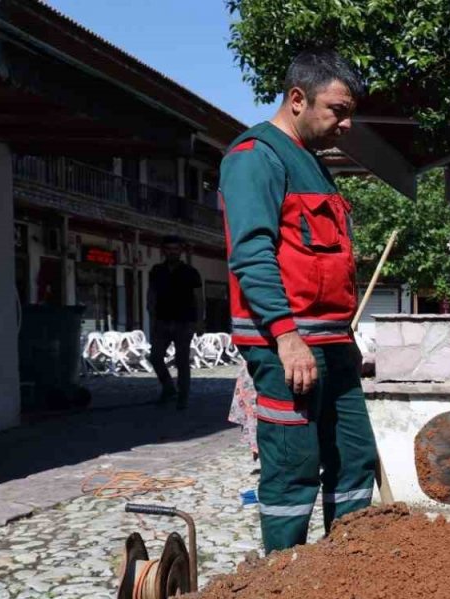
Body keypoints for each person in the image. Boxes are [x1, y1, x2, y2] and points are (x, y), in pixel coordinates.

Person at [219, 49, 377, 554]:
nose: (346, 123)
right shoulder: (253, 158)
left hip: (331, 343)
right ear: (296, 99)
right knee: (293, 469)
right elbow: (252, 254)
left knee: (355, 459)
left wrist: (345, 340)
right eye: (337, 110)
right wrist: (286, 338)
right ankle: (285, 590)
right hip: (287, 346)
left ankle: (346, 574)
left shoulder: (312, 165)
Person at [148, 235, 203, 409]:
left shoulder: (191, 272)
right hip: (162, 321)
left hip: (184, 322)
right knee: (155, 357)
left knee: (182, 361)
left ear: (181, 251)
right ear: (163, 251)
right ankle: (168, 387)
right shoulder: (157, 271)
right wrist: (152, 316)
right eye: (169, 249)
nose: (173, 252)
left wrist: (200, 321)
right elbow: (152, 294)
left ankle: (183, 397)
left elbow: (198, 298)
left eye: (176, 249)